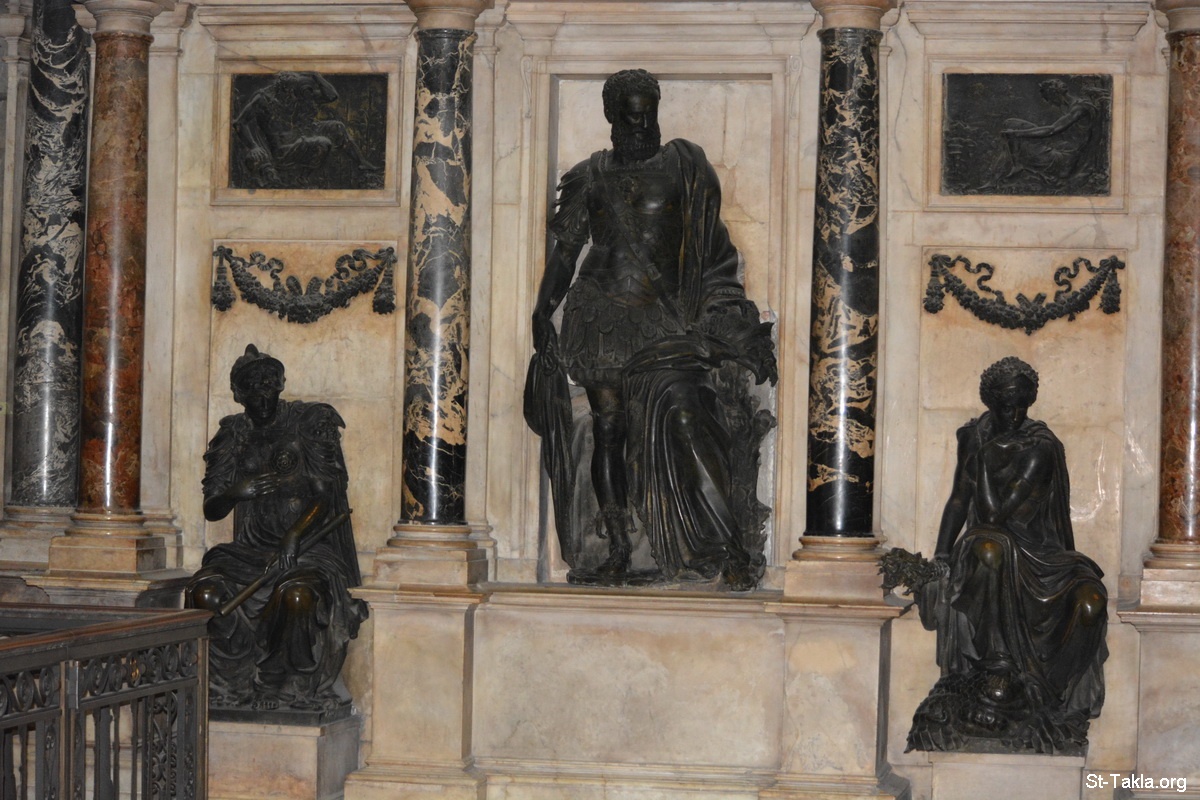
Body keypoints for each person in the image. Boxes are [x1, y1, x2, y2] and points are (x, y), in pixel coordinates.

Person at [530, 69, 776, 589]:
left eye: (649, 114)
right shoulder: (589, 174)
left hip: (662, 319)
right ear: (611, 115)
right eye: (632, 116)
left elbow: (711, 246)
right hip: (599, 316)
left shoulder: (686, 165)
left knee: (685, 412)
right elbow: (566, 254)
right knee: (609, 430)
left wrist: (725, 316)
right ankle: (618, 547)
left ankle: (724, 544)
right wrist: (541, 311)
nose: (643, 125)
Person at [902, 357, 1107, 752]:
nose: (1014, 415)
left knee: (1090, 603)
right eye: (1006, 405)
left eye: (1021, 405)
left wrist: (981, 458)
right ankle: (997, 664)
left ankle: (1048, 696)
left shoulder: (1039, 447)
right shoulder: (973, 435)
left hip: (1042, 554)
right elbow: (960, 500)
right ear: (991, 401)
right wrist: (942, 556)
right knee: (989, 550)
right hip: (990, 544)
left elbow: (995, 512)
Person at [186, 345, 368, 713]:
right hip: (249, 551)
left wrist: (294, 536)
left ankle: (284, 683)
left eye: (269, 384)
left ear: (281, 384)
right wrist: (237, 491)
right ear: (239, 394)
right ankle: (229, 684)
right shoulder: (233, 434)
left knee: (297, 597)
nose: (263, 394)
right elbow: (212, 509)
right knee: (206, 593)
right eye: (253, 387)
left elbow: (325, 495)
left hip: (307, 548)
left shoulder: (306, 423)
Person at [232, 71, 379, 189]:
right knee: (323, 143)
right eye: (290, 92)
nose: (294, 96)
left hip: (303, 133)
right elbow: (239, 123)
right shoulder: (263, 100)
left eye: (294, 92)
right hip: (285, 149)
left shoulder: (297, 96)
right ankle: (302, 178)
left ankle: (362, 164)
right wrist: (253, 146)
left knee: (337, 126)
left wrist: (316, 75)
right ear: (282, 89)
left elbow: (331, 96)